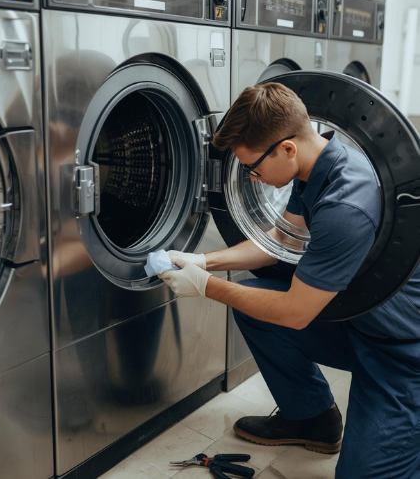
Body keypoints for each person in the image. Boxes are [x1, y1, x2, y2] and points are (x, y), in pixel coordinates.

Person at [159, 82, 420, 479]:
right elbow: (279, 240)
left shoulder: (346, 205)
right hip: (362, 324)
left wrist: (205, 287)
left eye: (252, 166)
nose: (252, 176)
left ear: (287, 148)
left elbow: (297, 313)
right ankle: (312, 420)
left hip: (403, 354)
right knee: (253, 305)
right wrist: (203, 260)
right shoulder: (316, 166)